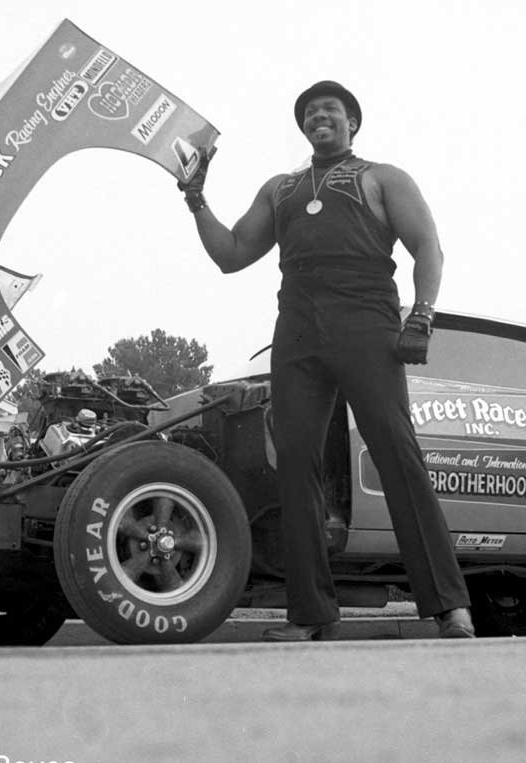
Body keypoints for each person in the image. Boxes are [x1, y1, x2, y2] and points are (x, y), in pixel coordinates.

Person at [178, 80, 473, 641]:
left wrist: (422, 316)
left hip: (366, 322)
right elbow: (231, 255)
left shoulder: (382, 177)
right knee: (294, 464)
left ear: (351, 122)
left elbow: (428, 247)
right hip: (297, 328)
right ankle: (312, 614)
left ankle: (449, 606)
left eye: (331, 110)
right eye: (310, 112)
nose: (320, 117)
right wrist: (196, 200)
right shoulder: (281, 188)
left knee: (396, 452)